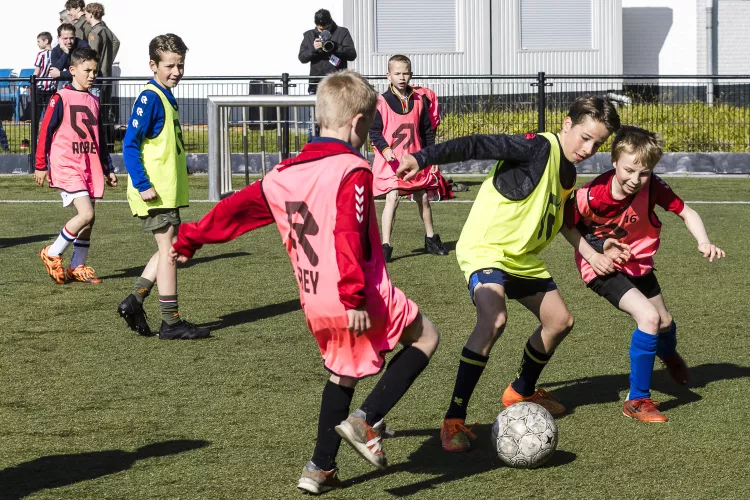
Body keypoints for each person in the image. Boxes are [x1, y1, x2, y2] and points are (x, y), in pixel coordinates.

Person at [169, 70, 440, 495]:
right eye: (369, 125)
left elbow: (236, 210)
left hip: (314, 299)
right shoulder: (352, 169)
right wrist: (353, 297)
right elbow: (347, 235)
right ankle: (365, 421)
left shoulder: (283, 173)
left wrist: (191, 238)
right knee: (425, 339)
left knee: (342, 375)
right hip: (356, 294)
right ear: (357, 124)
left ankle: (319, 469)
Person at [398, 95, 626, 453]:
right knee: (494, 318)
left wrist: (595, 250)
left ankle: (521, 390)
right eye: (585, 137)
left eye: (597, 143)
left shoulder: (568, 170)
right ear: (567, 125)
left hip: (521, 258)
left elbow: (564, 220)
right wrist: (421, 157)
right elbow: (477, 143)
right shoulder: (537, 147)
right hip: (487, 248)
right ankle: (453, 419)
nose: (589, 148)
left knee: (560, 321)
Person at [566, 126, 725, 423]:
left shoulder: (653, 186)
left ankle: (669, 354)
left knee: (664, 321)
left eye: (644, 173)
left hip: (638, 262)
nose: (635, 180)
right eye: (629, 170)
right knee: (648, 318)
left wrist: (703, 241)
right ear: (614, 161)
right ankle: (637, 399)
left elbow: (687, 212)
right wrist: (594, 254)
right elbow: (566, 223)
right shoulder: (592, 194)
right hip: (602, 266)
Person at [117, 33, 208, 341]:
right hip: (154, 191)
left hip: (166, 192)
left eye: (180, 65)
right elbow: (130, 144)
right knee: (169, 251)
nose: (177, 72)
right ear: (153, 65)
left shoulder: (165, 94)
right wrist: (142, 184)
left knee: (167, 247)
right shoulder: (150, 97)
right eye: (170, 66)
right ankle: (171, 322)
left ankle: (135, 300)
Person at [35, 47, 116, 284]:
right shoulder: (61, 97)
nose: (92, 75)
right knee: (86, 213)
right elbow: (45, 132)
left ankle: (77, 266)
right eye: (87, 70)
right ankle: (52, 252)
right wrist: (41, 165)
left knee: (90, 220)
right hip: (67, 164)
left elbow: (99, 138)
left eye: (95, 71)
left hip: (89, 165)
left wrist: (108, 167)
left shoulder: (94, 99)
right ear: (72, 70)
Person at [370, 55, 447, 262]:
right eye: (397, 73)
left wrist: (431, 156)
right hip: (391, 161)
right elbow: (374, 132)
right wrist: (385, 150)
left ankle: (431, 238)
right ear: (389, 75)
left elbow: (426, 131)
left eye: (405, 73)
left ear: (410, 74)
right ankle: (385, 245)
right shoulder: (381, 101)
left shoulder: (419, 99)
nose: (402, 77)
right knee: (392, 197)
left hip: (414, 159)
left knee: (423, 197)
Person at [298, 8, 357, 95]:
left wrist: (335, 47)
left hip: (338, 84)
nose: (323, 32)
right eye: (320, 30)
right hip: (317, 84)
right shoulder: (309, 35)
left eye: (327, 29)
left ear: (330, 23)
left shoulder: (342, 32)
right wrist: (313, 49)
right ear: (316, 25)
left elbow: (352, 55)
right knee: (318, 109)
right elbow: (302, 58)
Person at [34, 32, 55, 121]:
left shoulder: (41, 54)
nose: (37, 44)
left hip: (40, 87)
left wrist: (32, 81)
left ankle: (35, 133)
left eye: (39, 41)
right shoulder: (56, 53)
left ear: (46, 41)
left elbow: (37, 71)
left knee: (36, 112)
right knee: (49, 112)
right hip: (52, 87)